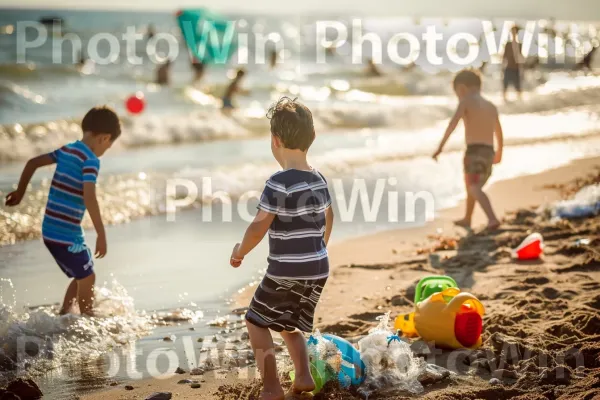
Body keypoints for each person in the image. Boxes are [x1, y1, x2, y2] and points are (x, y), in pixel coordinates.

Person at [229, 97, 334, 399]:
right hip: (318, 266)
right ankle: (302, 377)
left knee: (255, 321)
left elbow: (259, 226)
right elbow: (329, 217)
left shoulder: (278, 182)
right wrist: (318, 249)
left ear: (274, 140)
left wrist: (240, 251)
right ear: (311, 138)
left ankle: (272, 386)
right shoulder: (319, 178)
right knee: (289, 323)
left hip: (288, 268)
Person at [5, 106, 121, 316]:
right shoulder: (91, 161)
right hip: (64, 234)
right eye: (109, 146)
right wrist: (102, 234)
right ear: (105, 138)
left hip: (52, 230)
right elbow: (89, 197)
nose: (106, 150)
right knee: (88, 277)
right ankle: (88, 320)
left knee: (82, 273)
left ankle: (65, 315)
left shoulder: (66, 150)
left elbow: (32, 163)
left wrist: (20, 192)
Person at [432, 70, 503, 231]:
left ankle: (492, 218)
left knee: (473, 186)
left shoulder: (465, 102)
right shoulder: (491, 106)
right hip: (489, 151)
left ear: (462, 88)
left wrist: (440, 148)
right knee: (471, 185)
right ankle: (467, 218)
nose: (458, 96)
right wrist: (500, 152)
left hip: (474, 151)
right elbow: (498, 131)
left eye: (457, 92)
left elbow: (452, 125)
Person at [502, 26, 523, 102]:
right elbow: (504, 57)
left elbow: (521, 57)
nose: (513, 33)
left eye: (514, 32)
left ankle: (520, 101)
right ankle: (504, 101)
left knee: (518, 86)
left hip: (516, 68)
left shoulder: (520, 45)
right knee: (505, 86)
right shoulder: (508, 44)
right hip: (508, 67)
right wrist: (502, 67)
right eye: (512, 32)